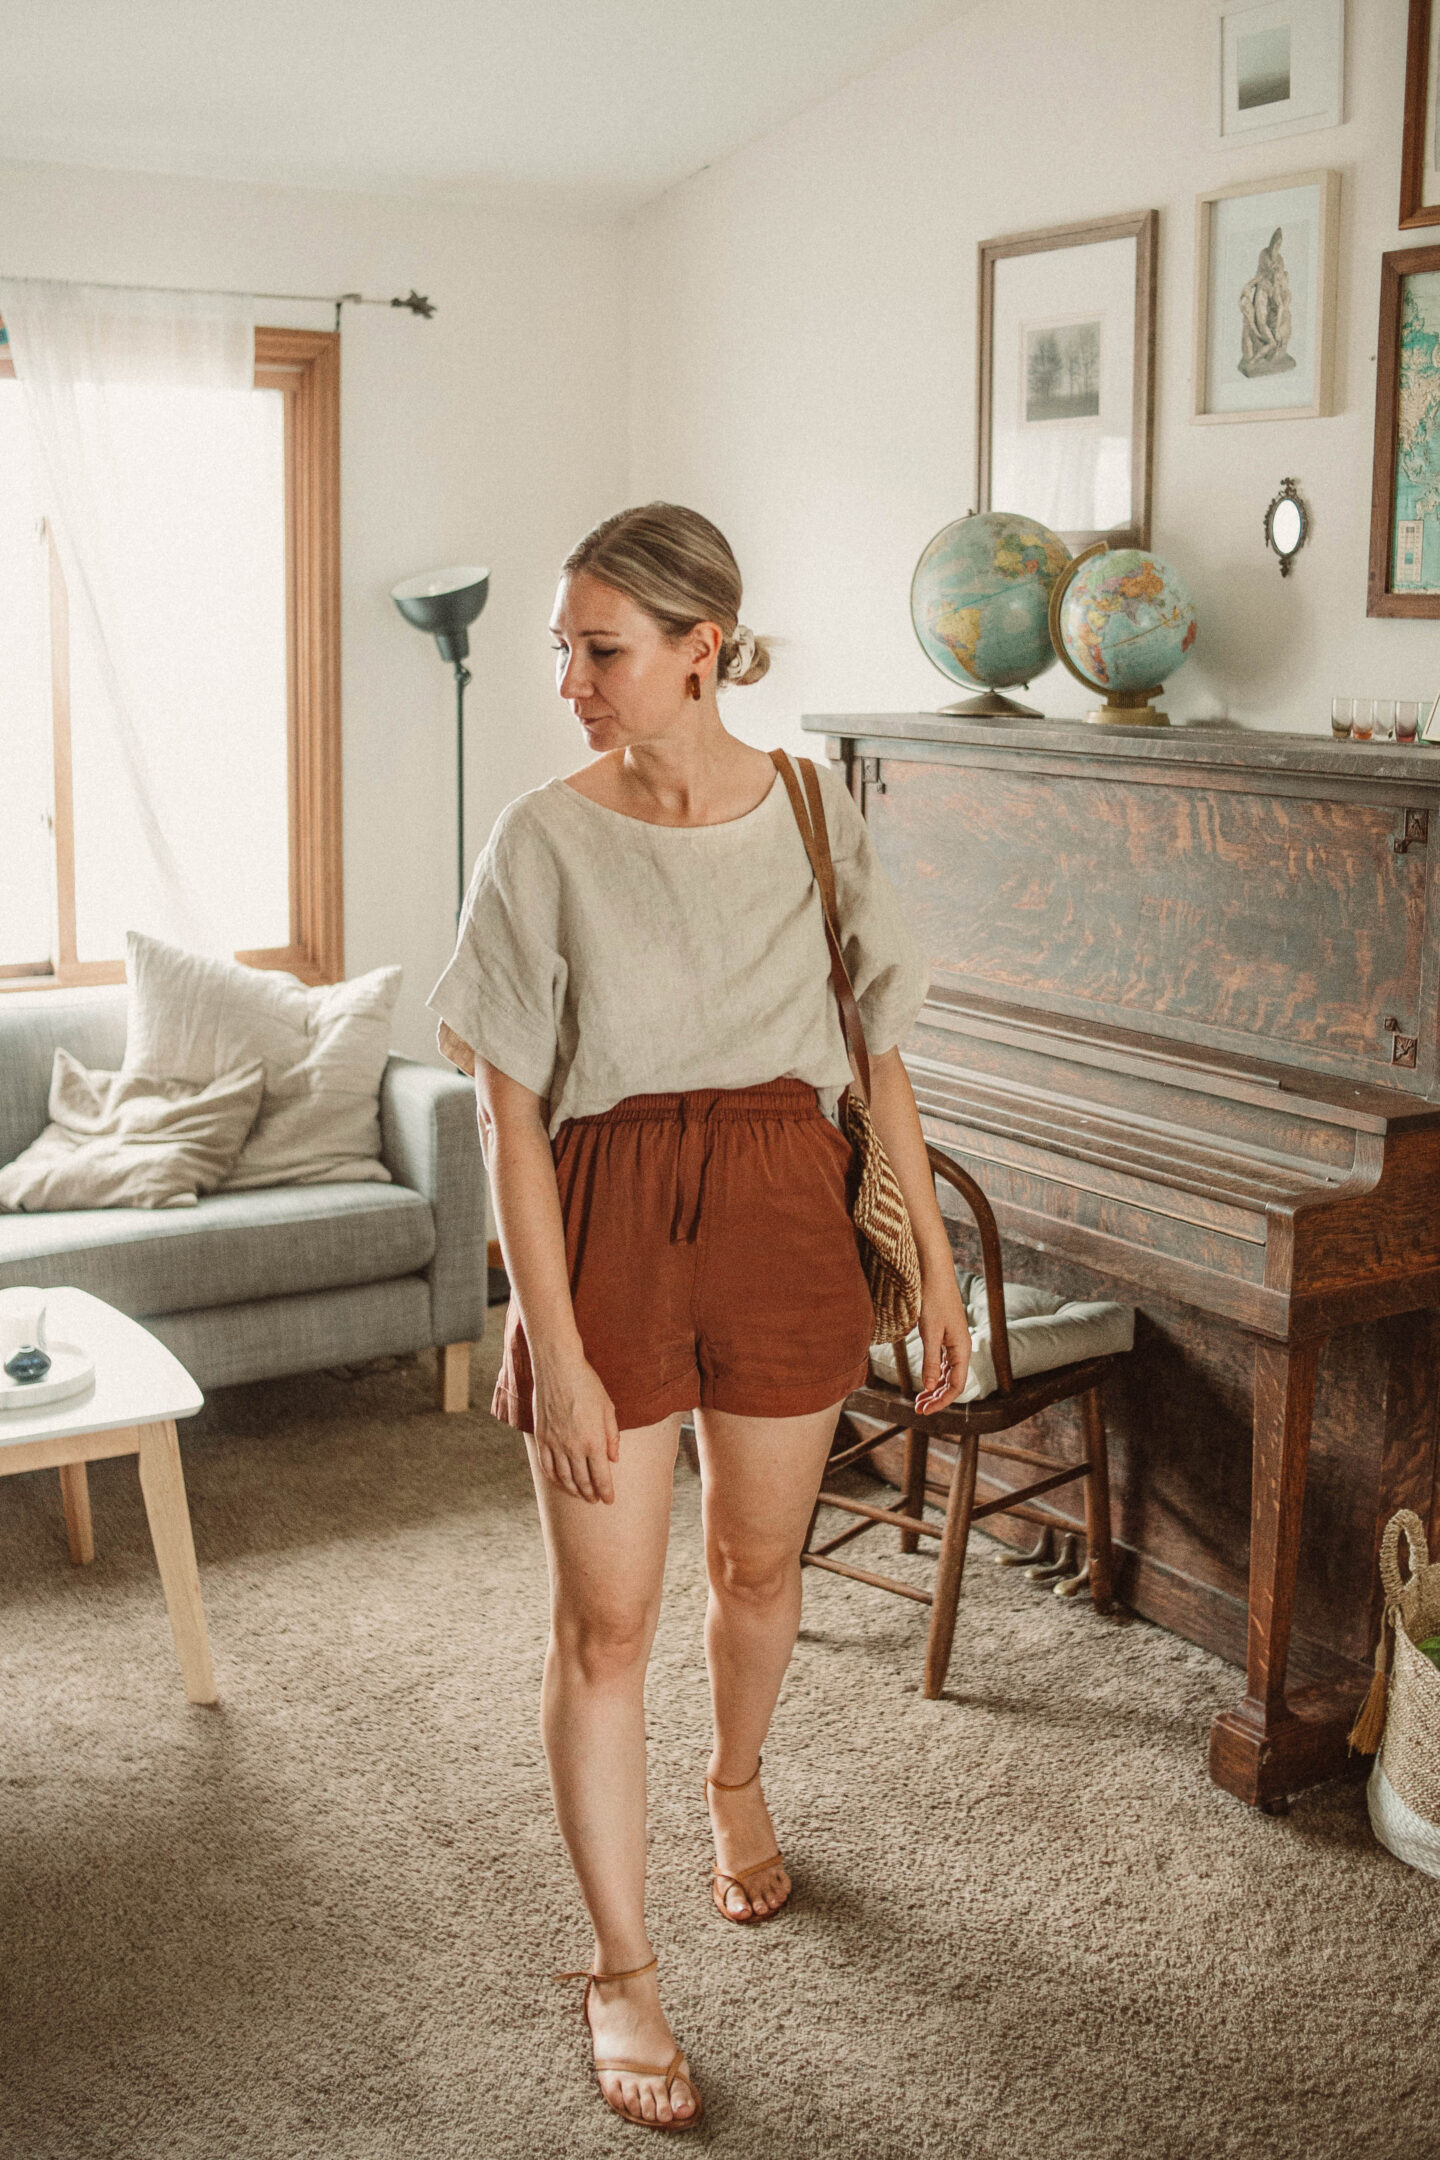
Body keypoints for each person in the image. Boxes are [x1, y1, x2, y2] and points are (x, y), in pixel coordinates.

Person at [425, 502, 972, 2132]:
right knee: (605, 1625)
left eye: (601, 650)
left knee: (757, 1565)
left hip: (787, 1210)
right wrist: (560, 1341)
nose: (573, 681)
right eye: (563, 651)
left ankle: (737, 1782)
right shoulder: (539, 839)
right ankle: (623, 1968)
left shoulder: (812, 808)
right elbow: (506, 1121)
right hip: (605, 1227)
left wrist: (933, 1270)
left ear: (700, 651)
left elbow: (878, 1055)